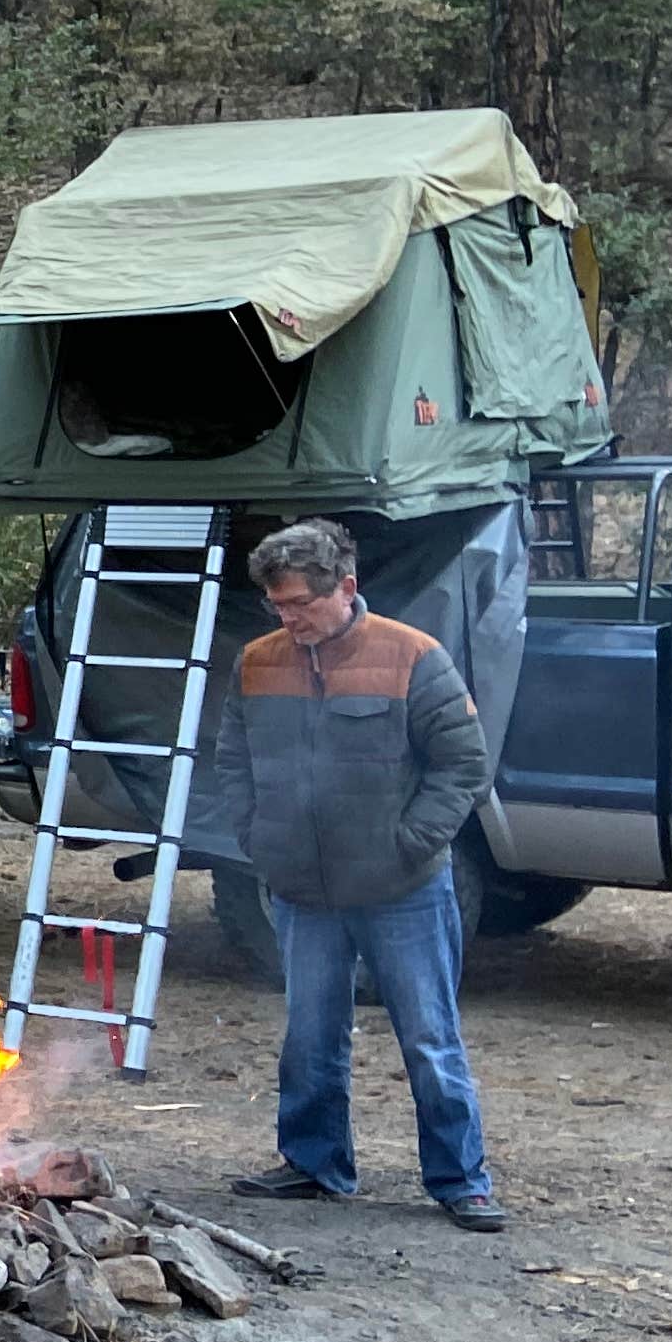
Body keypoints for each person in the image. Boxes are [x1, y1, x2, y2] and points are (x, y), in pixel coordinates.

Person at [198, 518, 506, 1231]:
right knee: (309, 1031)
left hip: (403, 888)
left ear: (346, 587)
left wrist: (411, 841)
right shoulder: (257, 663)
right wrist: (257, 839)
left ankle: (461, 1180)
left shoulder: (414, 657)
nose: (290, 618)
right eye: (279, 606)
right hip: (302, 890)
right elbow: (232, 763)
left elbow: (463, 765)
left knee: (429, 1036)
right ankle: (314, 1163)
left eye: (301, 603)